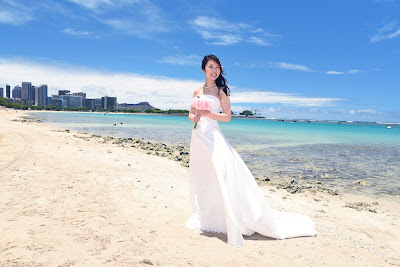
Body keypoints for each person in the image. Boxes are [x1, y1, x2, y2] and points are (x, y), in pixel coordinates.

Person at [186, 54, 317, 247]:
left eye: (217, 67)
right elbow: (190, 113)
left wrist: (208, 113)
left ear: (220, 70)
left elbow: (227, 117)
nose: (214, 70)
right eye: (210, 67)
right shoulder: (197, 90)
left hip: (214, 136)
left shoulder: (222, 91)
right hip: (198, 137)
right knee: (203, 175)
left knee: (222, 172)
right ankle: (209, 215)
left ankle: (232, 215)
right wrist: (195, 118)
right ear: (203, 69)